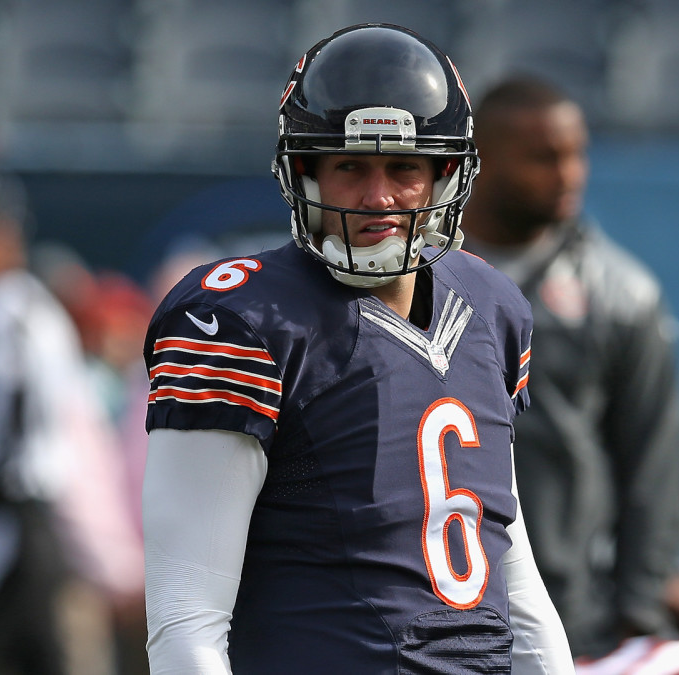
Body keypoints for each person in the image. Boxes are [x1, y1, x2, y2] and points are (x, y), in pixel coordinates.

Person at [141, 24, 574, 673]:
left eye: (403, 166)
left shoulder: (491, 305)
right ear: (304, 171)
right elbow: (186, 616)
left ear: (445, 173)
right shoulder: (243, 319)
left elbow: (510, 559)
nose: (378, 197)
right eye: (350, 166)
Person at [460, 76, 679, 659]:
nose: (569, 175)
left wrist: (638, 616)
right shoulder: (415, 277)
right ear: (480, 160)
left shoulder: (624, 294)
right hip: (435, 610)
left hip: (573, 622)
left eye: (576, 154)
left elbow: (653, 475)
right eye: (543, 157)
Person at [0, 171, 138, 675]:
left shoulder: (6, 304)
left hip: (12, 517)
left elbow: (5, 426)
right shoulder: (13, 306)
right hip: (27, 524)